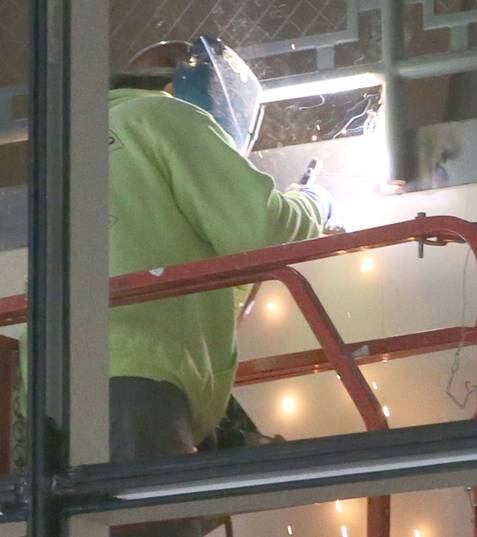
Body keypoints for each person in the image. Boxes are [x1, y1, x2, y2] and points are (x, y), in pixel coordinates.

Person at [107, 37, 333, 536]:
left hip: (50, 388)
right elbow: (263, 230)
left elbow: (187, 258)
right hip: (142, 382)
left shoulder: (76, 143)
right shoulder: (166, 116)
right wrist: (315, 203)